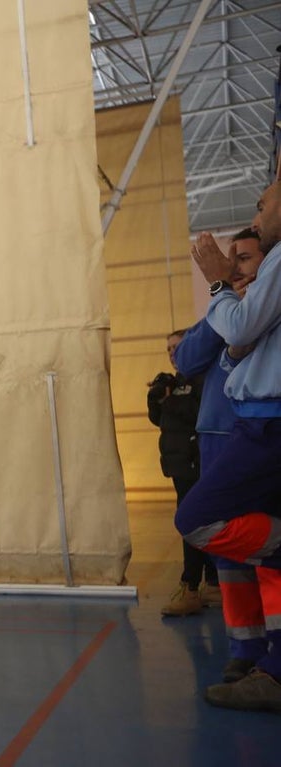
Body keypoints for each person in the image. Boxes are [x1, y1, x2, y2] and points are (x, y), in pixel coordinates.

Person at [179, 179, 281, 711]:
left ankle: (269, 653)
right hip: (220, 439)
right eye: (233, 257)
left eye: (246, 256)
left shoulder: (259, 302)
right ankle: (246, 652)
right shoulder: (227, 312)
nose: (237, 265)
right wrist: (223, 308)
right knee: (233, 562)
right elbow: (188, 360)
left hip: (257, 431)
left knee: (262, 559)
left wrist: (230, 301)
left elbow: (246, 334)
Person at [147, 330, 217, 616]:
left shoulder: (203, 379)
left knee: (192, 525)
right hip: (179, 468)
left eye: (177, 347)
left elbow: (200, 415)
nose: (172, 353)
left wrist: (170, 401)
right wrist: (156, 400)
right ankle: (212, 584)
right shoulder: (176, 383)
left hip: (197, 464)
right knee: (201, 524)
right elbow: (161, 420)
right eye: (168, 350)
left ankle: (190, 587)